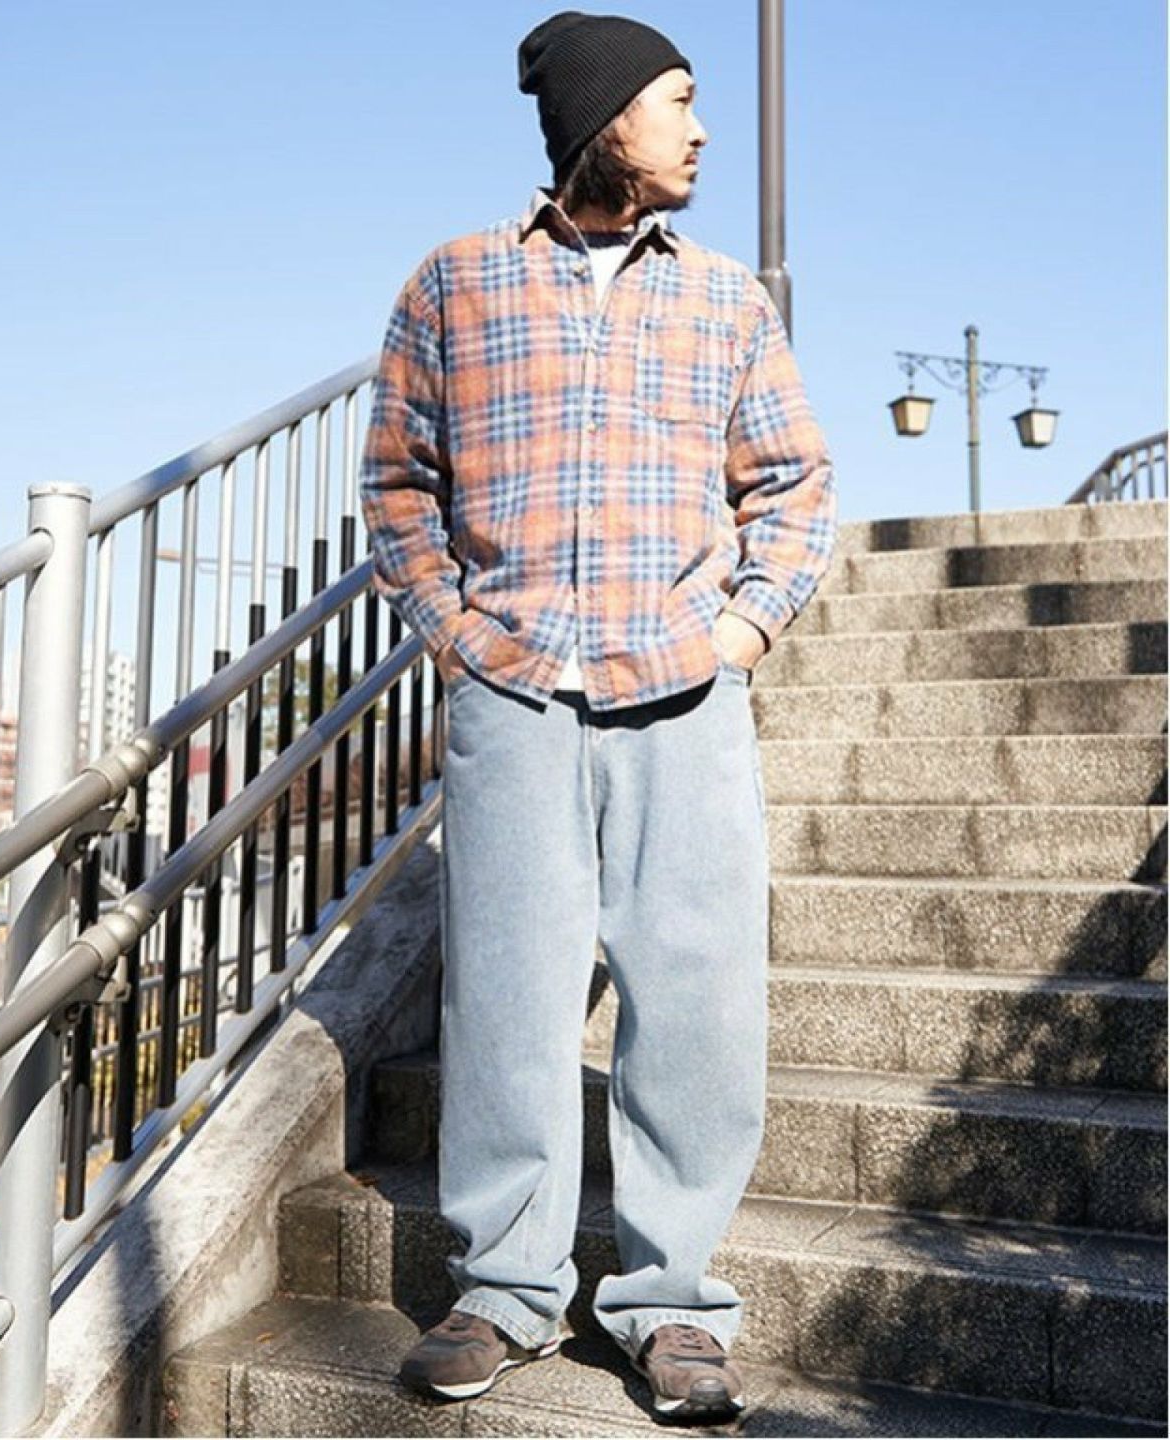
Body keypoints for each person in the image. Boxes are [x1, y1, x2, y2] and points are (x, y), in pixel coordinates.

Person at [359, 8, 837, 1420]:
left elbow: (795, 484)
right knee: (507, 999)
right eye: (678, 101)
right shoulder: (455, 283)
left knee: (695, 1005)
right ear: (604, 117)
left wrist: (743, 629)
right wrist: (456, 637)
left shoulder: (726, 299)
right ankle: (506, 1290)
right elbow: (398, 485)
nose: (701, 128)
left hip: (681, 691)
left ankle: (671, 1304)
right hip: (513, 691)